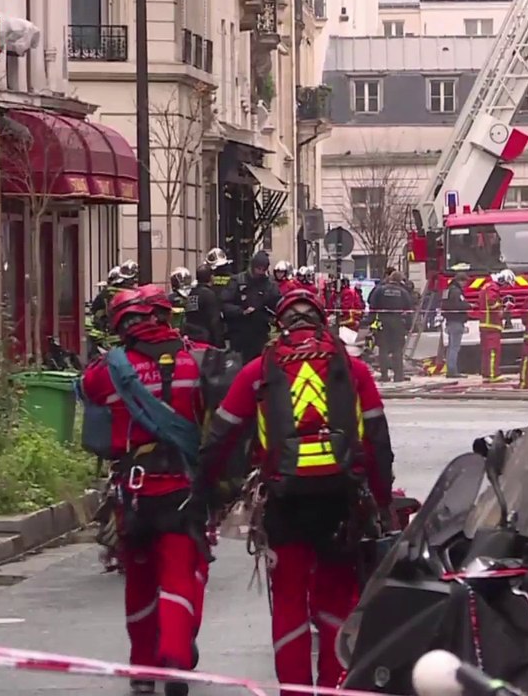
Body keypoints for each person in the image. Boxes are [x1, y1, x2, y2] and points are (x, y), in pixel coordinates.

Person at [199, 289, 396, 691]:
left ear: (280, 325)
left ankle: (295, 691)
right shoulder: (351, 368)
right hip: (342, 503)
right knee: (336, 600)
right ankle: (333, 685)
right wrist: (382, 497)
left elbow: (220, 435)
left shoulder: (260, 369)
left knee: (289, 604)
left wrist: (207, 492)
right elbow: (377, 438)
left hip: (284, 505)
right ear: (322, 322)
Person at [79, 285, 209, 696]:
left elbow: (85, 392)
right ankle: (174, 659)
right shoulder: (197, 360)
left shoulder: (110, 369)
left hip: (133, 493)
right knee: (179, 575)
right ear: (166, 317)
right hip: (183, 488)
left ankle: (142, 670)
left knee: (138, 579)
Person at [221, 250, 281, 363]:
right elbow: (224, 305)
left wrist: (273, 317)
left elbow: (278, 304)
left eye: (263, 269)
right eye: (258, 269)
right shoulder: (237, 281)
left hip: (260, 334)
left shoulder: (270, 285)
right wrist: (241, 311)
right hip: (239, 335)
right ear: (252, 267)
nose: (260, 272)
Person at [367, 271, 415, 382]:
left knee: (383, 349)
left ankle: (384, 376)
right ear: (400, 281)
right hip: (398, 323)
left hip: (383, 321)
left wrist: (370, 321)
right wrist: (408, 326)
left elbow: (372, 305)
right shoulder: (403, 292)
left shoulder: (380, 290)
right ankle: (398, 376)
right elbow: (408, 309)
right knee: (397, 350)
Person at [474, 270, 513, 381]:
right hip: (491, 324)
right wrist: (504, 307)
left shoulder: (487, 286)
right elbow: (492, 304)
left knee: (486, 351)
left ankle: (486, 374)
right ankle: (493, 375)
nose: (505, 287)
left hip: (485, 324)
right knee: (493, 350)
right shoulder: (493, 288)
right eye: (506, 284)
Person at [183, 266, 224, 346]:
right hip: (207, 339)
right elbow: (214, 320)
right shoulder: (209, 295)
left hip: (192, 338)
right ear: (211, 277)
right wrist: (219, 342)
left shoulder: (191, 294)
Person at [440, 274, 470, 378]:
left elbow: (444, 305)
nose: (465, 284)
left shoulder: (447, 290)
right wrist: (469, 305)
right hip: (456, 321)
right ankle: (453, 371)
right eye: (465, 282)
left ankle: (450, 370)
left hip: (449, 321)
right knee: (454, 348)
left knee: (450, 347)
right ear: (460, 281)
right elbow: (458, 305)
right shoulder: (456, 292)